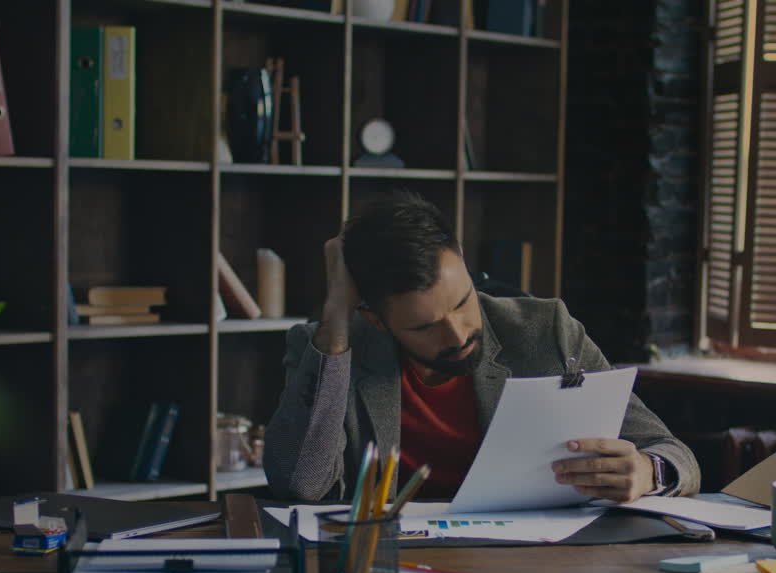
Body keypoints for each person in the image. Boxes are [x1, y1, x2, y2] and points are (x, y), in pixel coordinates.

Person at [264, 190, 700, 503]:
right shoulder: (329, 351)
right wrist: (336, 316)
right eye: (425, 327)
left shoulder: (546, 331)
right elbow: (301, 484)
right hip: (396, 565)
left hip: (539, 565)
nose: (456, 335)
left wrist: (648, 471)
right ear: (375, 319)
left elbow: (675, 453)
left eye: (462, 302)